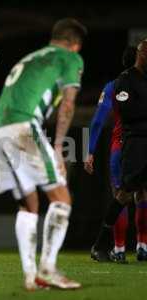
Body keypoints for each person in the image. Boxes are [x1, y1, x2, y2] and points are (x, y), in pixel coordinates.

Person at [0, 18, 86, 290]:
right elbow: (68, 103)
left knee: (29, 204)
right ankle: (49, 268)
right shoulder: (70, 58)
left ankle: (32, 276)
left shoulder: (30, 57)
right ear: (75, 45)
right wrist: (57, 147)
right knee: (62, 198)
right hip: (22, 127)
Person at [85, 47, 147, 263]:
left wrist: (90, 151)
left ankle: (119, 249)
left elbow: (99, 120)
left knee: (121, 195)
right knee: (142, 195)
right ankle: (142, 246)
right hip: (136, 145)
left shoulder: (114, 86)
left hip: (123, 146)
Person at [113, 39, 147, 256]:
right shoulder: (119, 82)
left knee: (143, 194)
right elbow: (98, 120)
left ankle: (142, 246)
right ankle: (116, 245)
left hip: (134, 143)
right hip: (125, 145)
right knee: (124, 193)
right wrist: (89, 150)